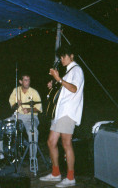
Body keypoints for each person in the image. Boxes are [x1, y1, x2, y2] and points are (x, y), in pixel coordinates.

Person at [39, 46, 84, 187]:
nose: (61, 59)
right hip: (59, 112)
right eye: (61, 57)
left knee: (66, 143)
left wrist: (58, 78)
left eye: (64, 56)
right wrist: (54, 84)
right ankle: (55, 173)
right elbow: (63, 88)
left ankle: (70, 177)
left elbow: (73, 88)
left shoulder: (76, 70)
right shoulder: (68, 72)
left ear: (71, 55)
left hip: (68, 113)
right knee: (51, 142)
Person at [8, 74, 42, 158]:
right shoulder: (15, 90)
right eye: (25, 80)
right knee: (2, 126)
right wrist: (16, 105)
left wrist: (30, 109)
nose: (27, 82)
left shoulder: (34, 92)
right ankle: (1, 157)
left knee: (33, 131)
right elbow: (12, 106)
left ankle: (33, 158)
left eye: (29, 80)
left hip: (31, 117)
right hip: (18, 115)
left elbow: (39, 108)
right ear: (20, 81)